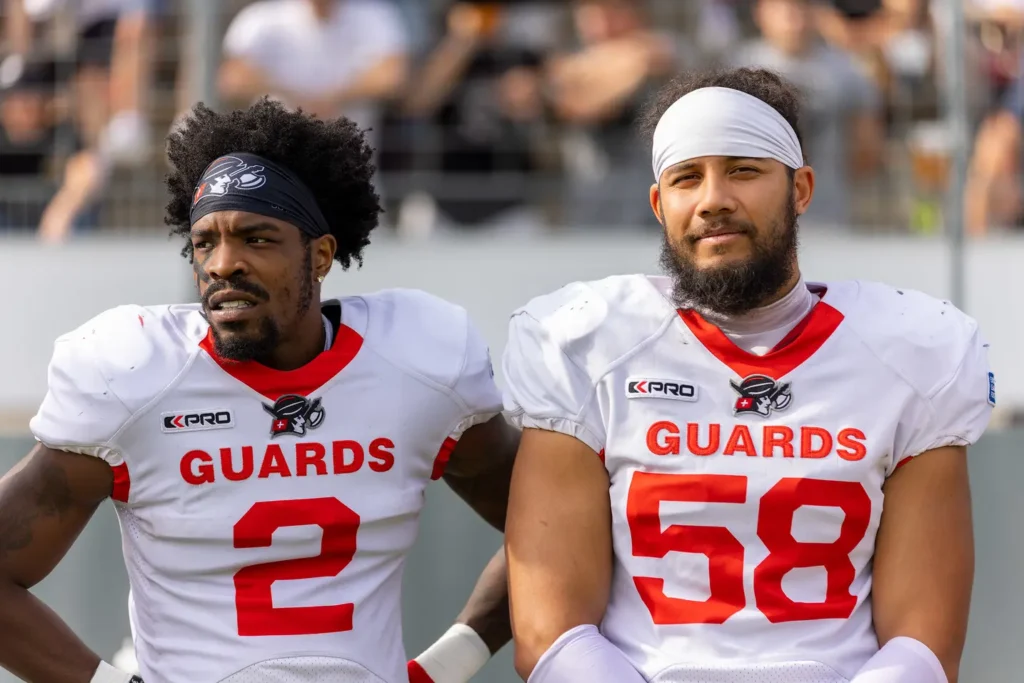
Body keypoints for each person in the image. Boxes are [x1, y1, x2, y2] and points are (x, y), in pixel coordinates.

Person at [502, 67, 994, 683]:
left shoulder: (909, 352)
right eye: (687, 177)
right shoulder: (588, 344)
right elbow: (550, 634)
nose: (713, 199)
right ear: (659, 205)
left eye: (743, 170)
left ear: (801, 189)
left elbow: (923, 643)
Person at [0, 98, 515, 683]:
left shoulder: (417, 363)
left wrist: (451, 661)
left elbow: (557, 523)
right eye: (204, 242)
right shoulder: (136, 375)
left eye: (257, 238)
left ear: (320, 255)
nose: (223, 264)